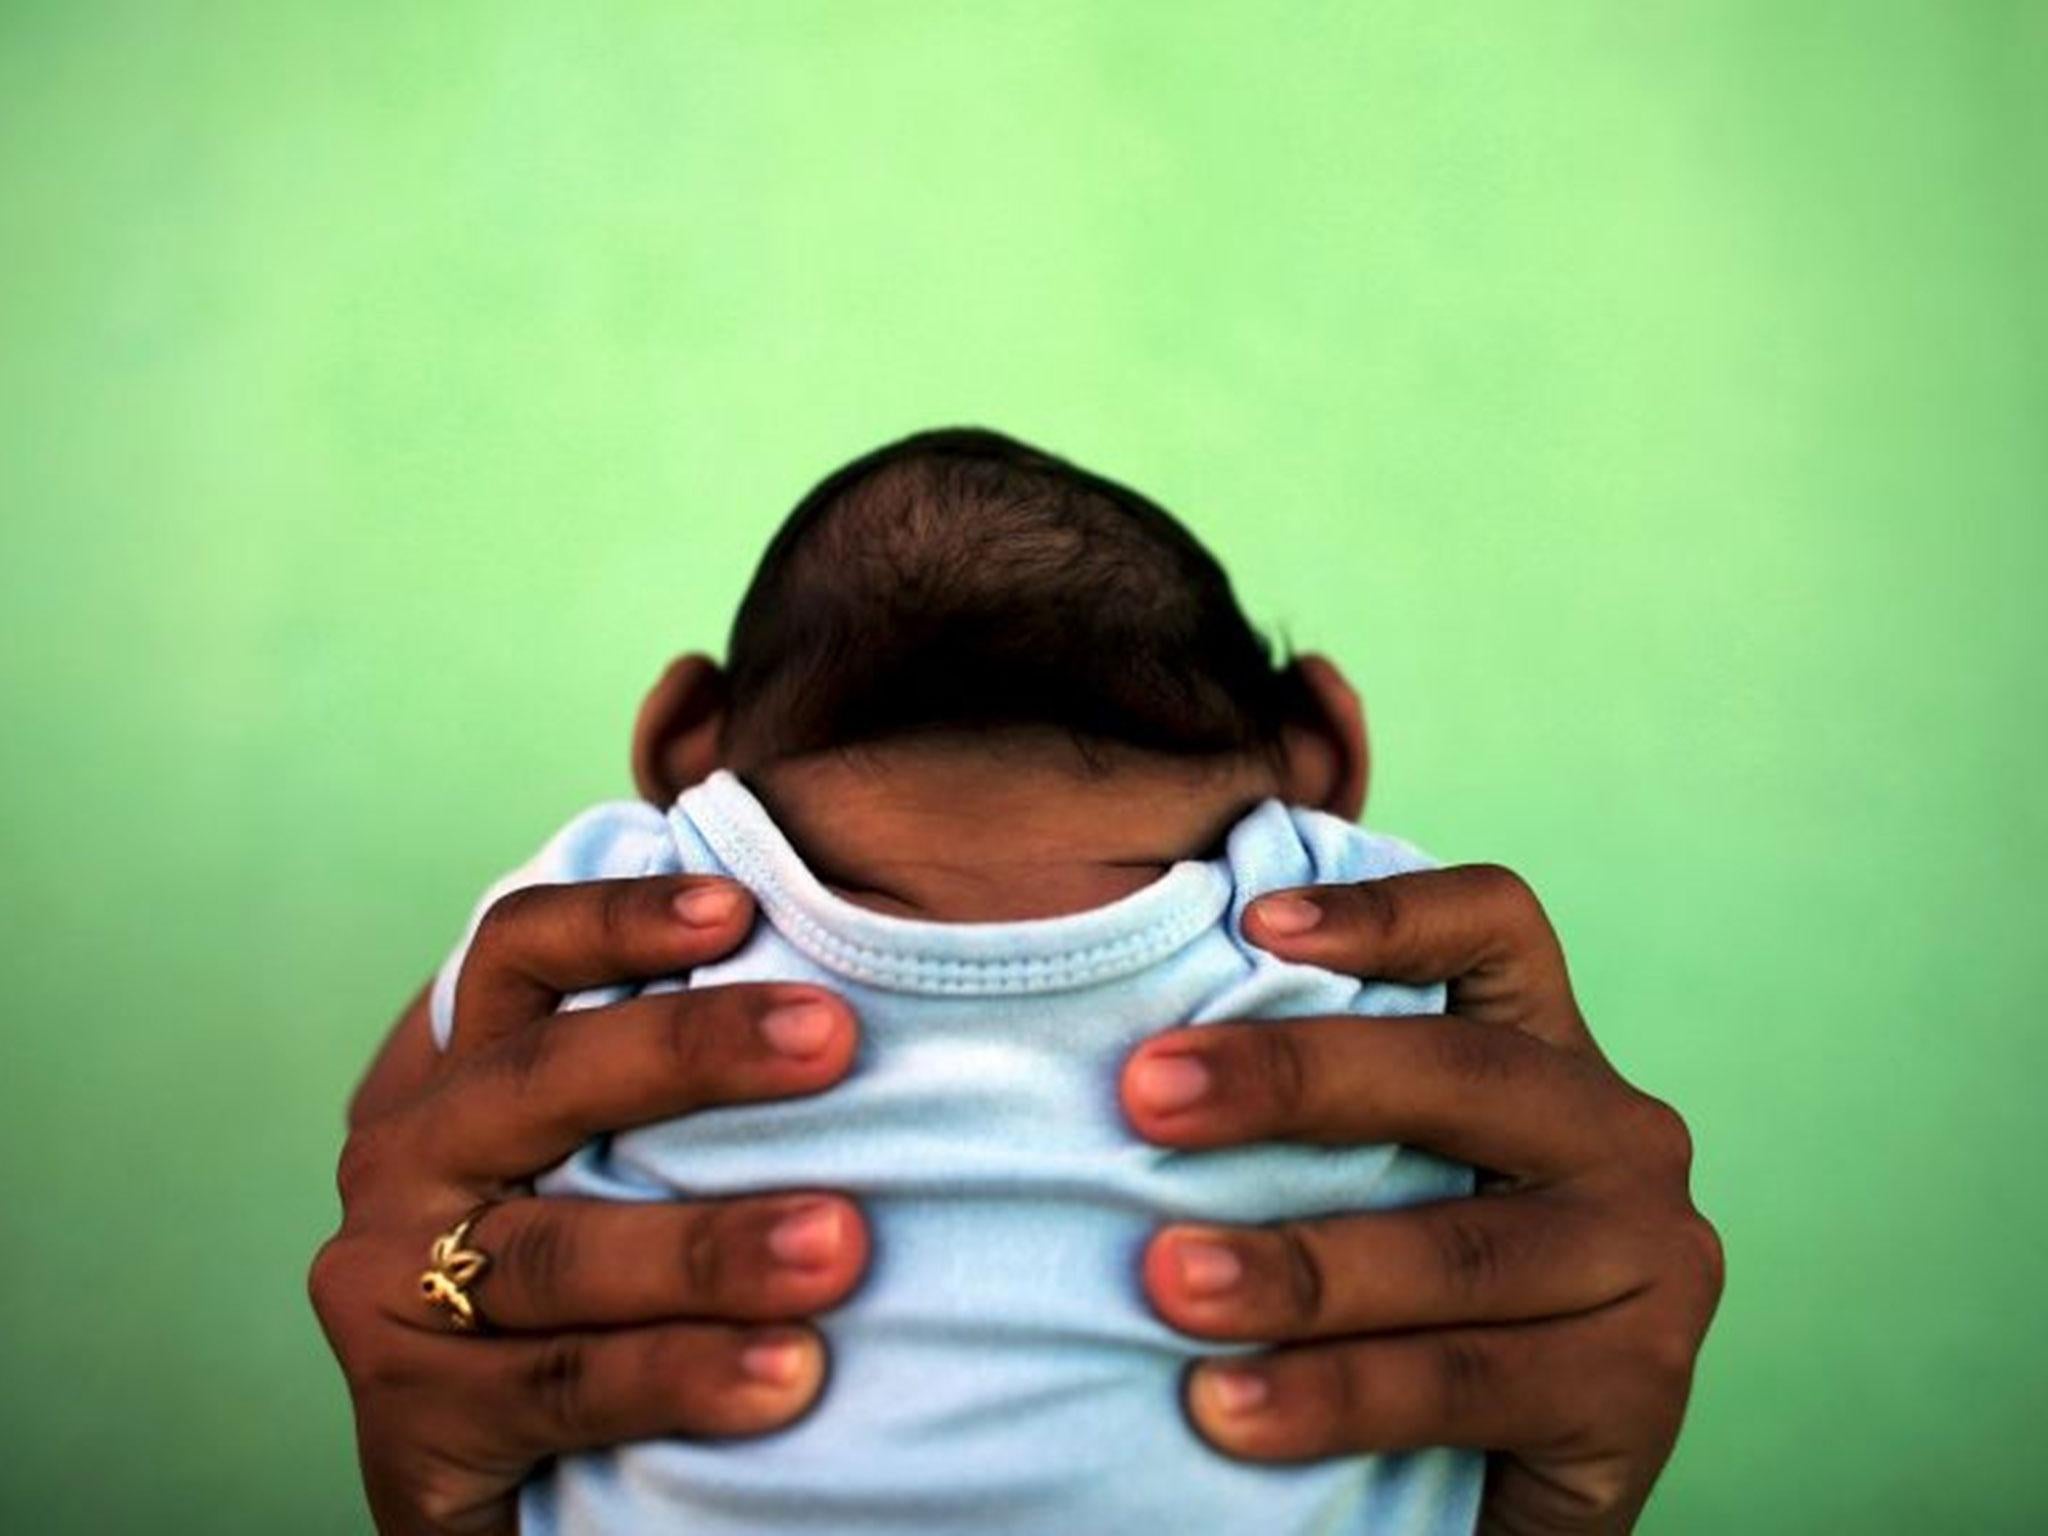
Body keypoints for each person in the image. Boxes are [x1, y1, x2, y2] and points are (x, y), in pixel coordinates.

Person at [312, 434, 1725, 1535]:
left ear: (689, 740)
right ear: (1324, 754)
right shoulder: (1361, 917)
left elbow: (396, 1155)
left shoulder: (619, 893)